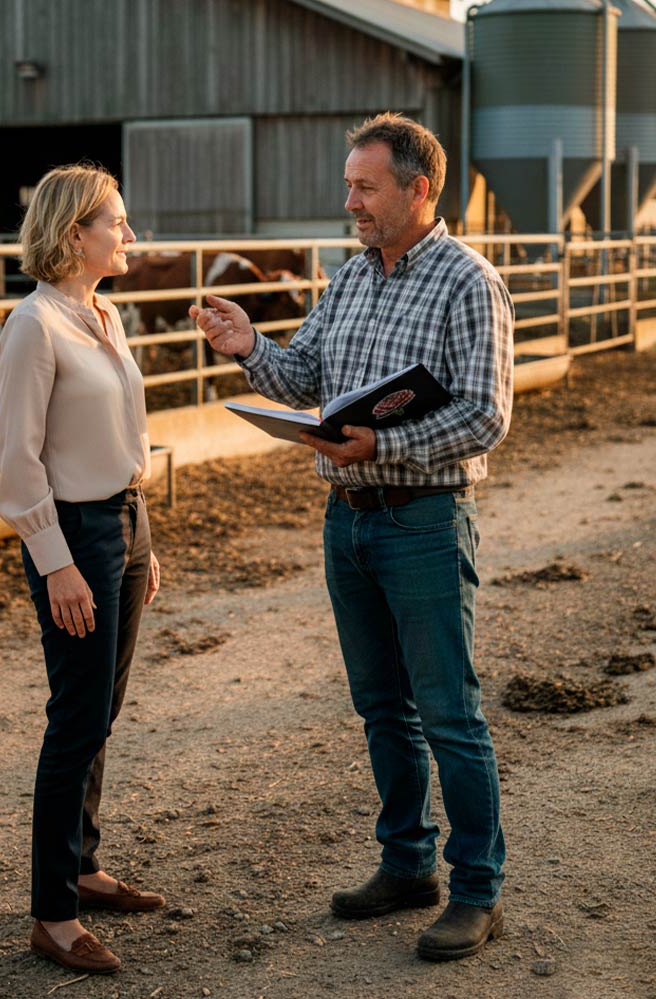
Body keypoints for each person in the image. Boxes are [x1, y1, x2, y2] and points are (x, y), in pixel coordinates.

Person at [189, 113, 513, 963]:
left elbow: (486, 415)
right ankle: (407, 863)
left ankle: (477, 889)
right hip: (349, 519)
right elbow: (306, 375)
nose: (351, 202)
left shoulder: (468, 281)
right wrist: (249, 346)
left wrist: (382, 445)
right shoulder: (351, 279)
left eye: (365, 187)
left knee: (449, 712)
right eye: (349, 186)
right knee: (382, 707)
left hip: (424, 519)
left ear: (418, 188)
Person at [0, 163, 164, 975]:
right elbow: (18, 460)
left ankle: (84, 865)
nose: (129, 234)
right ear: (74, 234)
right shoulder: (34, 324)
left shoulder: (105, 313)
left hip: (124, 524)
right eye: (116, 222)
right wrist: (55, 562)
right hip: (73, 535)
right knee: (75, 718)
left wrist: (144, 540)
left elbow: (123, 435)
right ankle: (53, 913)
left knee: (103, 709)